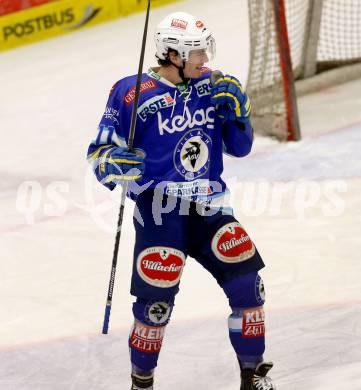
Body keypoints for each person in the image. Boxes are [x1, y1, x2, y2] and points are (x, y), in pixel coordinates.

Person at [87, 11, 275, 390]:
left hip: (211, 206)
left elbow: (240, 147)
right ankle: (142, 383)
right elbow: (99, 153)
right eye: (195, 53)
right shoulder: (130, 92)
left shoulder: (216, 86)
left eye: (204, 50)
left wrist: (241, 111)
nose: (204, 60)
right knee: (155, 309)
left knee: (248, 286)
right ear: (172, 54)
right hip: (160, 211)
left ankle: (251, 375)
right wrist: (112, 162)